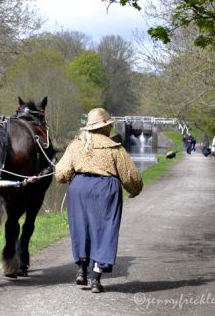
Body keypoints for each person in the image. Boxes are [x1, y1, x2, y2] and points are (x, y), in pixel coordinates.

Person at [55, 108, 143, 294]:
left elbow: (61, 174)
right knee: (105, 231)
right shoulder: (114, 147)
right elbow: (131, 176)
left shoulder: (76, 144)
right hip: (105, 191)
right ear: (106, 127)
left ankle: (81, 269)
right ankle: (96, 278)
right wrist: (134, 190)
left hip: (79, 189)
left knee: (81, 228)